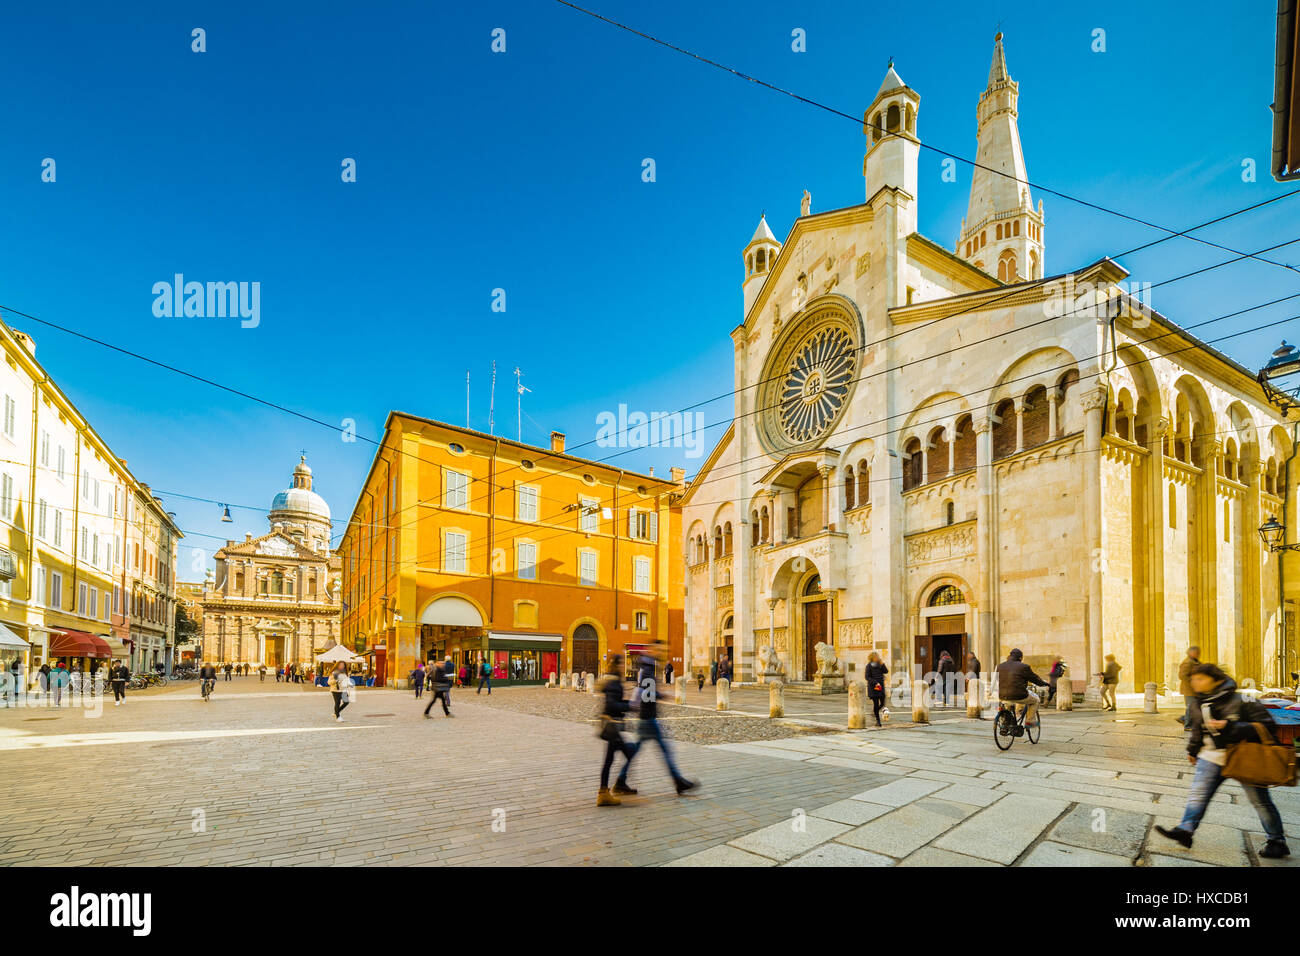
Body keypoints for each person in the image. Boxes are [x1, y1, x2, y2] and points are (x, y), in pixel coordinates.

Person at [1156, 663, 1290, 859]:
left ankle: (1277, 841)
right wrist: (1192, 750)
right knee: (1198, 795)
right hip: (1210, 757)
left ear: (1217, 680)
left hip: (1244, 757)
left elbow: (1267, 725)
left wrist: (1229, 726)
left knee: (1260, 801)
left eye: (1200, 678)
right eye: (1193, 679)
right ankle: (1185, 831)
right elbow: (1197, 730)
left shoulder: (1242, 699)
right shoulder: (1196, 702)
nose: (1195, 683)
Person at [628, 645, 697, 795]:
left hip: (644, 718)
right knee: (665, 750)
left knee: (636, 751)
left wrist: (660, 695)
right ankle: (678, 781)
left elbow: (645, 693)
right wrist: (662, 696)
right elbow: (648, 695)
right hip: (649, 719)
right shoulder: (648, 674)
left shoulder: (644, 673)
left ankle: (620, 780)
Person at [596, 654, 638, 806]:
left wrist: (629, 703)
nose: (624, 666)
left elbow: (615, 702)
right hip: (613, 726)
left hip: (613, 726)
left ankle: (605, 792)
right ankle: (616, 785)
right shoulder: (613, 682)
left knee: (609, 760)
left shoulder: (613, 680)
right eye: (622, 664)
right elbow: (612, 705)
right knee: (630, 751)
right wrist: (629, 706)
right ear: (618, 665)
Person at [995, 648, 1048, 729]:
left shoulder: (1000, 666)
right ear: (1020, 658)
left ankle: (1005, 723)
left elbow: (996, 680)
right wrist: (1043, 683)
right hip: (1019, 695)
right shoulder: (1024, 667)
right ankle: (1029, 721)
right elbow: (1034, 679)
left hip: (1002, 695)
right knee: (1035, 700)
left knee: (1008, 703)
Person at [1177, 646, 1201, 726]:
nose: (1198, 654)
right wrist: (1193, 681)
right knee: (1190, 707)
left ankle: (1184, 718)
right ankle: (1188, 725)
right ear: (1191, 653)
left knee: (1195, 706)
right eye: (1196, 653)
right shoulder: (1188, 662)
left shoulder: (1194, 661)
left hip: (1195, 689)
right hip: (1189, 689)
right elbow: (1182, 675)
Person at [865, 651, 889, 727]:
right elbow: (867, 677)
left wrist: (882, 663)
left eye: (877, 657)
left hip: (881, 686)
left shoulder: (880, 664)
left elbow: (886, 671)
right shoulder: (868, 666)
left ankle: (874, 712)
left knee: (882, 703)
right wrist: (875, 682)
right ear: (872, 658)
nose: (877, 658)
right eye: (876, 657)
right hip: (873, 687)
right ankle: (878, 721)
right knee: (876, 704)